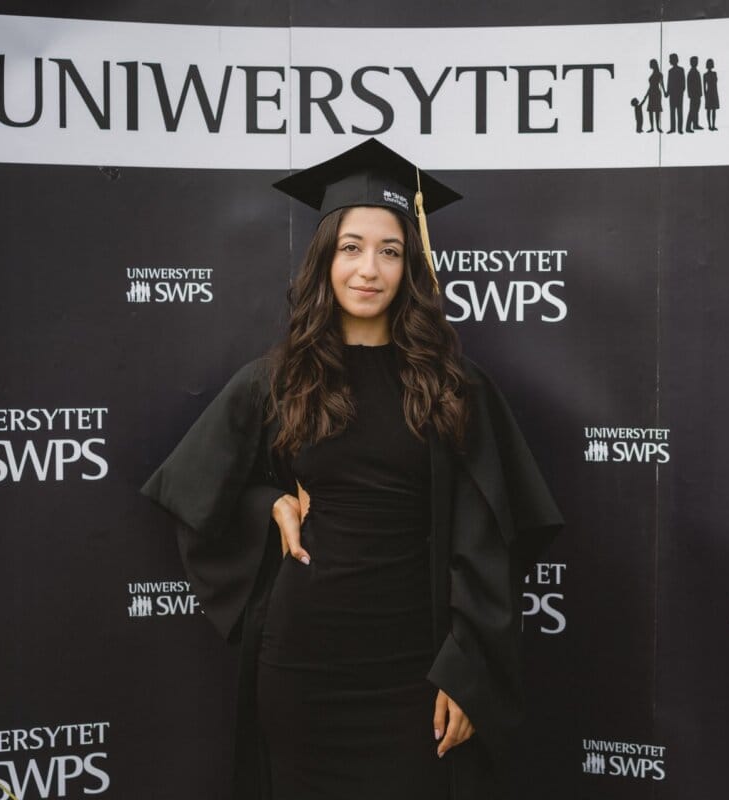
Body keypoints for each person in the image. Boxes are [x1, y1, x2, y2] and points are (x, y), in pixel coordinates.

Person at [141, 138, 563, 800]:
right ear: (325, 260)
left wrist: (467, 667)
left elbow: (494, 540)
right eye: (351, 247)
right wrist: (267, 506)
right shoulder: (278, 380)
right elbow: (192, 494)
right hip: (303, 665)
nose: (369, 268)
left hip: (416, 672)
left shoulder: (454, 388)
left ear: (411, 266)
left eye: (390, 251)